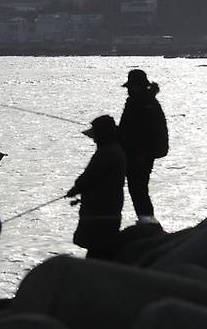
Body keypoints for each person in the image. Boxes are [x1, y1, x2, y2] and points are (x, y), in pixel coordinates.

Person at [66, 115, 126, 260]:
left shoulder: (106, 153)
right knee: (100, 249)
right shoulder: (115, 150)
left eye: (96, 135)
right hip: (110, 208)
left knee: (97, 249)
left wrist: (74, 190)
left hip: (100, 211)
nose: (94, 139)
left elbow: (89, 177)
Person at [118, 69, 168, 225]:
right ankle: (146, 221)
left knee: (138, 188)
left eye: (131, 87)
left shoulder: (143, 104)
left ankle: (148, 222)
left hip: (139, 155)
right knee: (138, 188)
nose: (128, 90)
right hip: (137, 153)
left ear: (138, 86)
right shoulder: (143, 101)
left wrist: (141, 153)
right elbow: (129, 129)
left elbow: (144, 131)